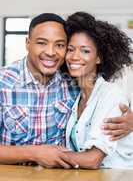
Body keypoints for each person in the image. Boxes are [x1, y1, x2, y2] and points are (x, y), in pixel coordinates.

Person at [0, 13, 79, 168]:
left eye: (60, 45)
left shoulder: (74, 84)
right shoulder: (3, 82)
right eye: (42, 43)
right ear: (28, 43)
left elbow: (107, 104)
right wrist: (35, 153)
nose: (51, 52)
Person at [63, 11, 133, 169]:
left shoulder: (111, 95)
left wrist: (43, 155)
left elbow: (92, 159)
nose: (75, 56)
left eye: (85, 51)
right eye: (70, 49)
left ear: (99, 58)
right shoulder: (76, 95)